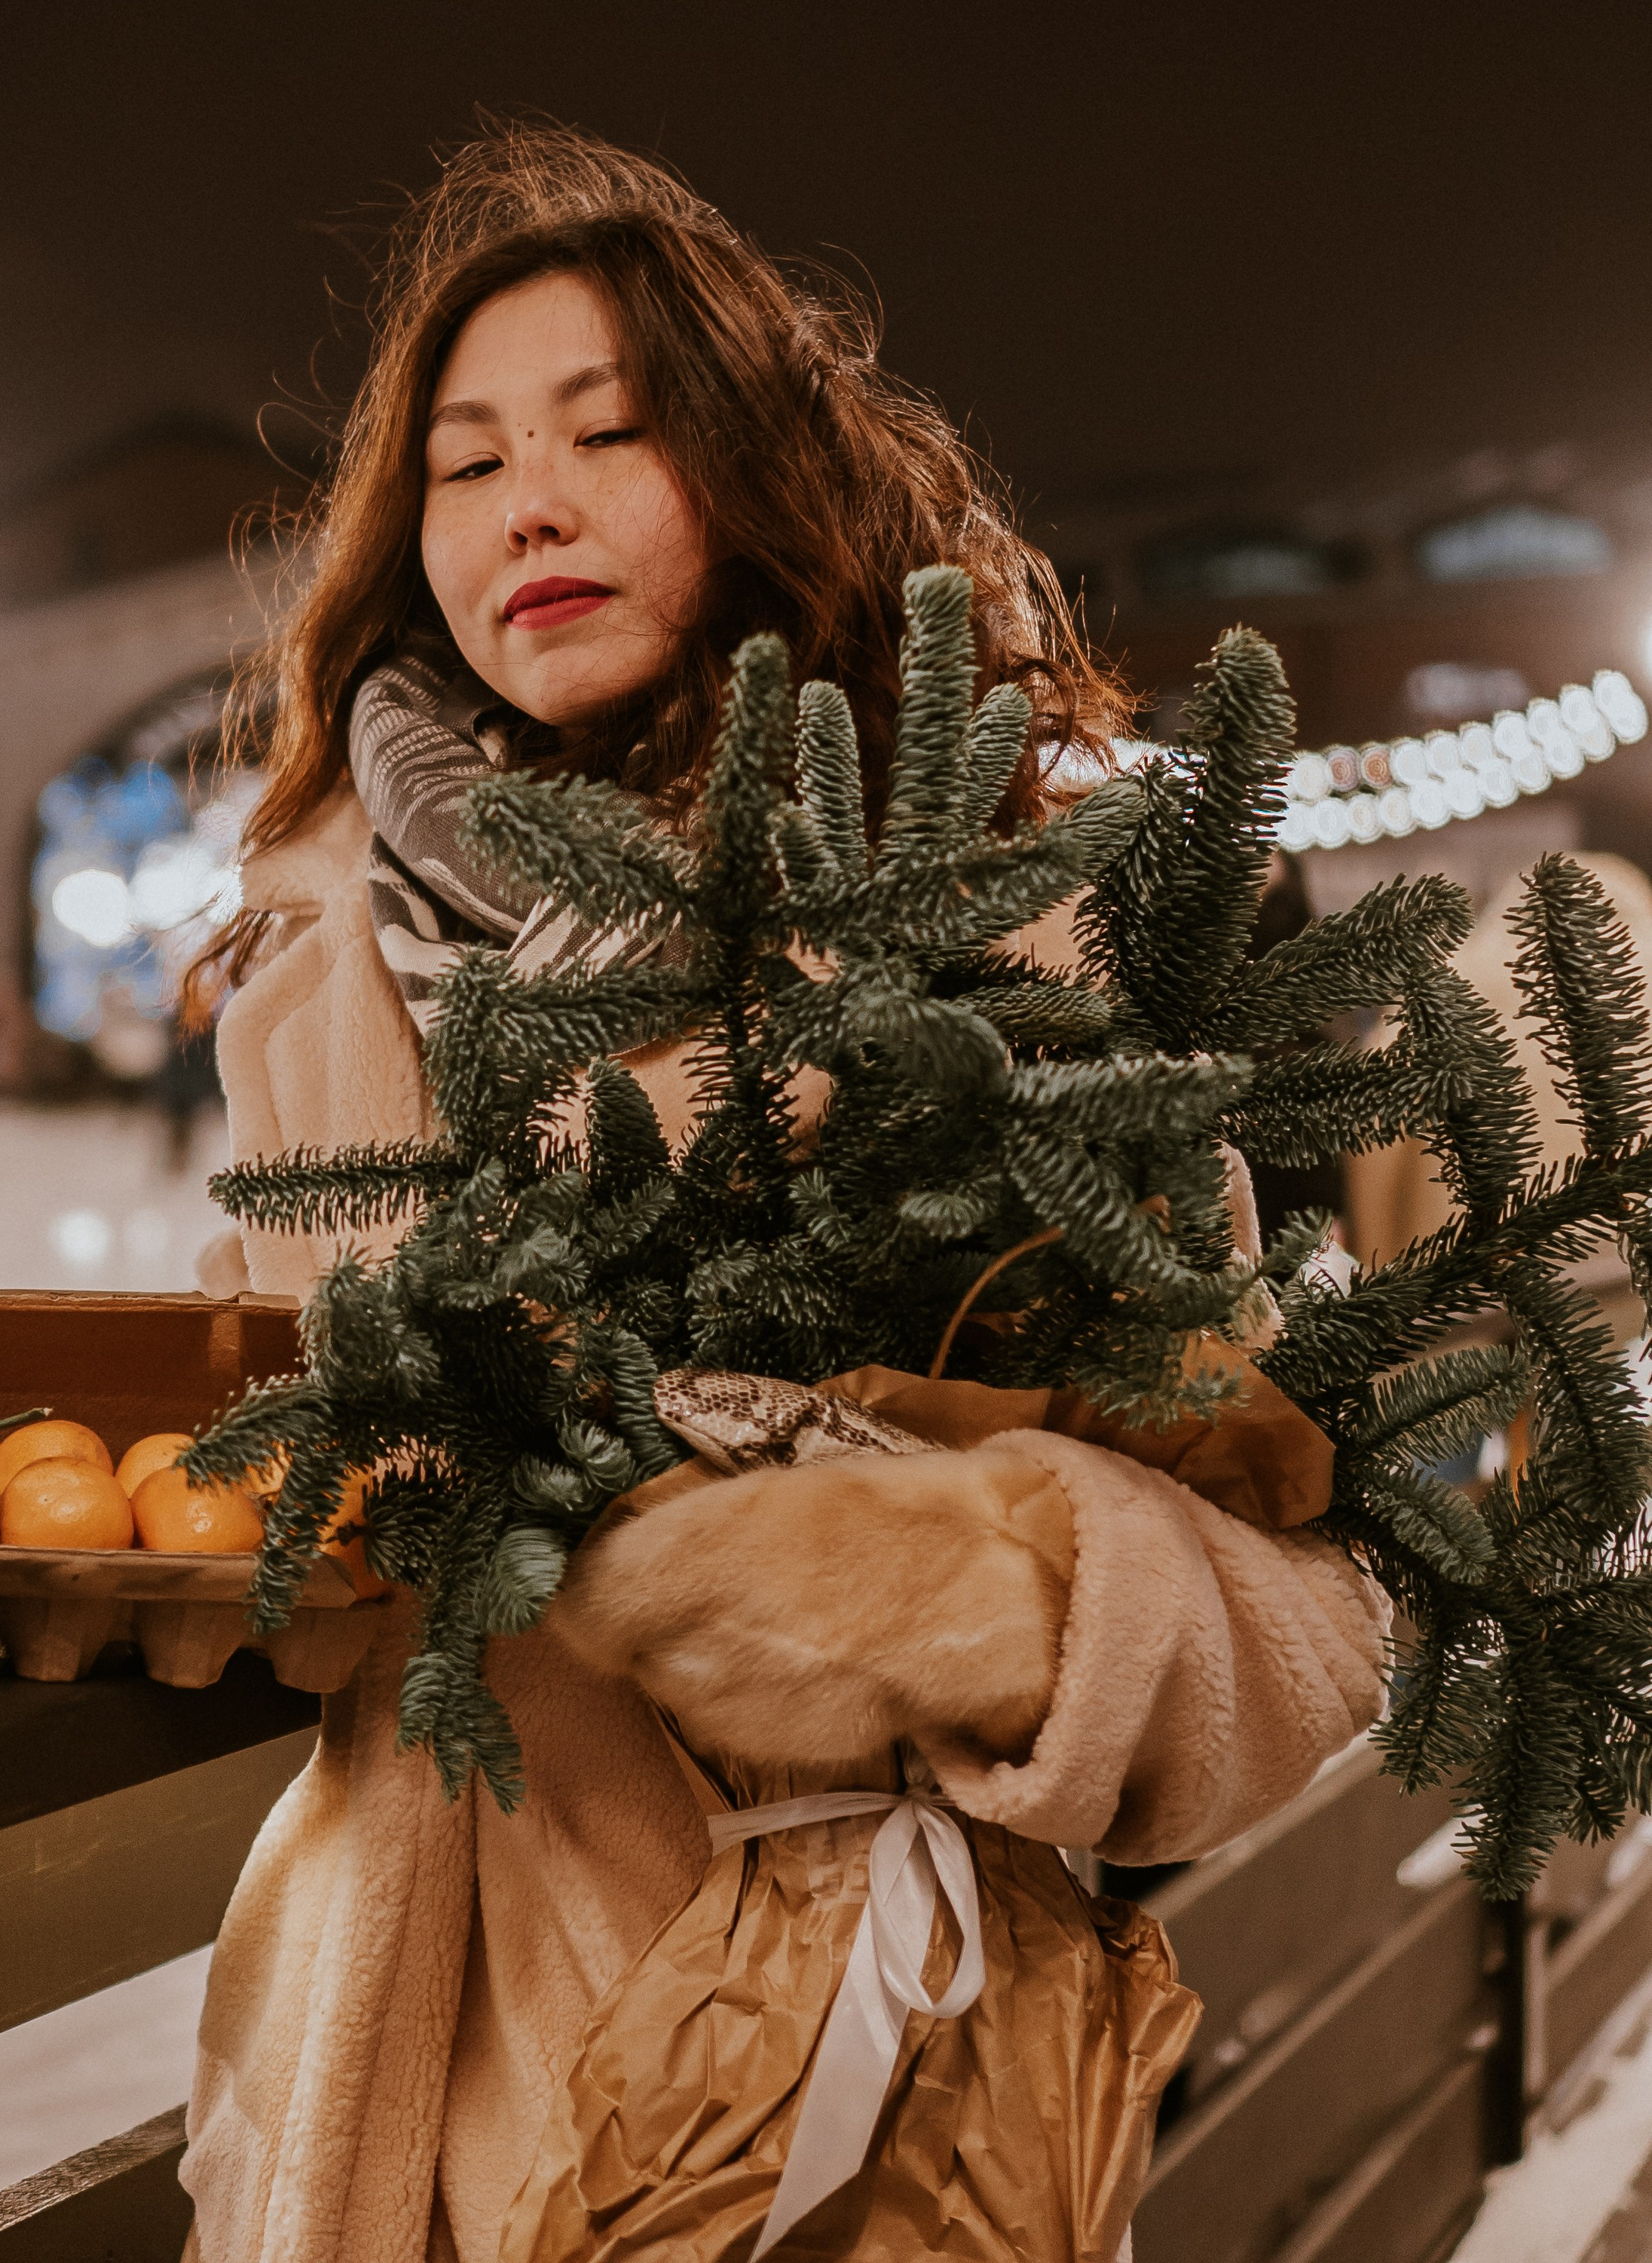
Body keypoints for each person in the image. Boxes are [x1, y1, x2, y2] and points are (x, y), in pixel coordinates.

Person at [181, 126, 1387, 2263]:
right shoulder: (318, 969)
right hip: (377, 2099)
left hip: (828, 2104)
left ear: (761, 479)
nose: (526, 501)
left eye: (608, 433)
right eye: (463, 464)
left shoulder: (996, 944)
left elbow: (1301, 1613)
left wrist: (961, 1590)